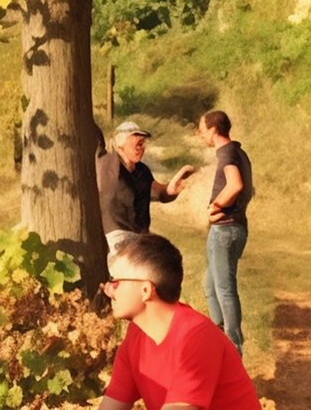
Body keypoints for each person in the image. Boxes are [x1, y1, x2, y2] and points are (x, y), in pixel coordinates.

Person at [98, 233, 260, 410]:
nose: (108, 290)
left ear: (146, 290)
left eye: (115, 282)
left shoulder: (196, 336)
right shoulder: (136, 337)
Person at [197, 110, 254, 354]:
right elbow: (248, 190)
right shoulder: (239, 152)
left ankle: (233, 349)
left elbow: (236, 185)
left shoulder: (227, 153)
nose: (200, 135)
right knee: (210, 286)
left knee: (224, 289)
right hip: (235, 228)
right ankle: (219, 337)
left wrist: (216, 206)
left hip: (225, 230)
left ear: (212, 130)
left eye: (201, 130)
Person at [97, 121, 196, 254]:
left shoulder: (142, 171)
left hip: (139, 236)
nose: (142, 147)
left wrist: (171, 189)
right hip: (115, 236)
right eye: (138, 143)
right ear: (120, 144)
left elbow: (161, 193)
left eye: (143, 143)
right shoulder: (107, 165)